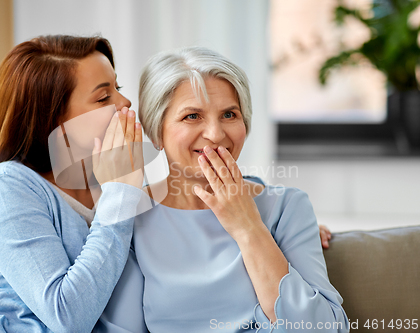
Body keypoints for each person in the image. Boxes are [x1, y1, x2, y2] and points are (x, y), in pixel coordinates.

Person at [94, 47, 349, 332]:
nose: (216, 134)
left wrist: (248, 227)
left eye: (229, 114)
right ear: (156, 131)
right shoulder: (132, 217)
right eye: (192, 116)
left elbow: (325, 328)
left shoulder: (287, 207)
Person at [0, 35, 145, 333]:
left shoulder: (118, 179)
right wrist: (121, 195)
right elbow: (67, 317)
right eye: (103, 97)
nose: (125, 103)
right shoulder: (6, 188)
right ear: (54, 118)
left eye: (118, 88)